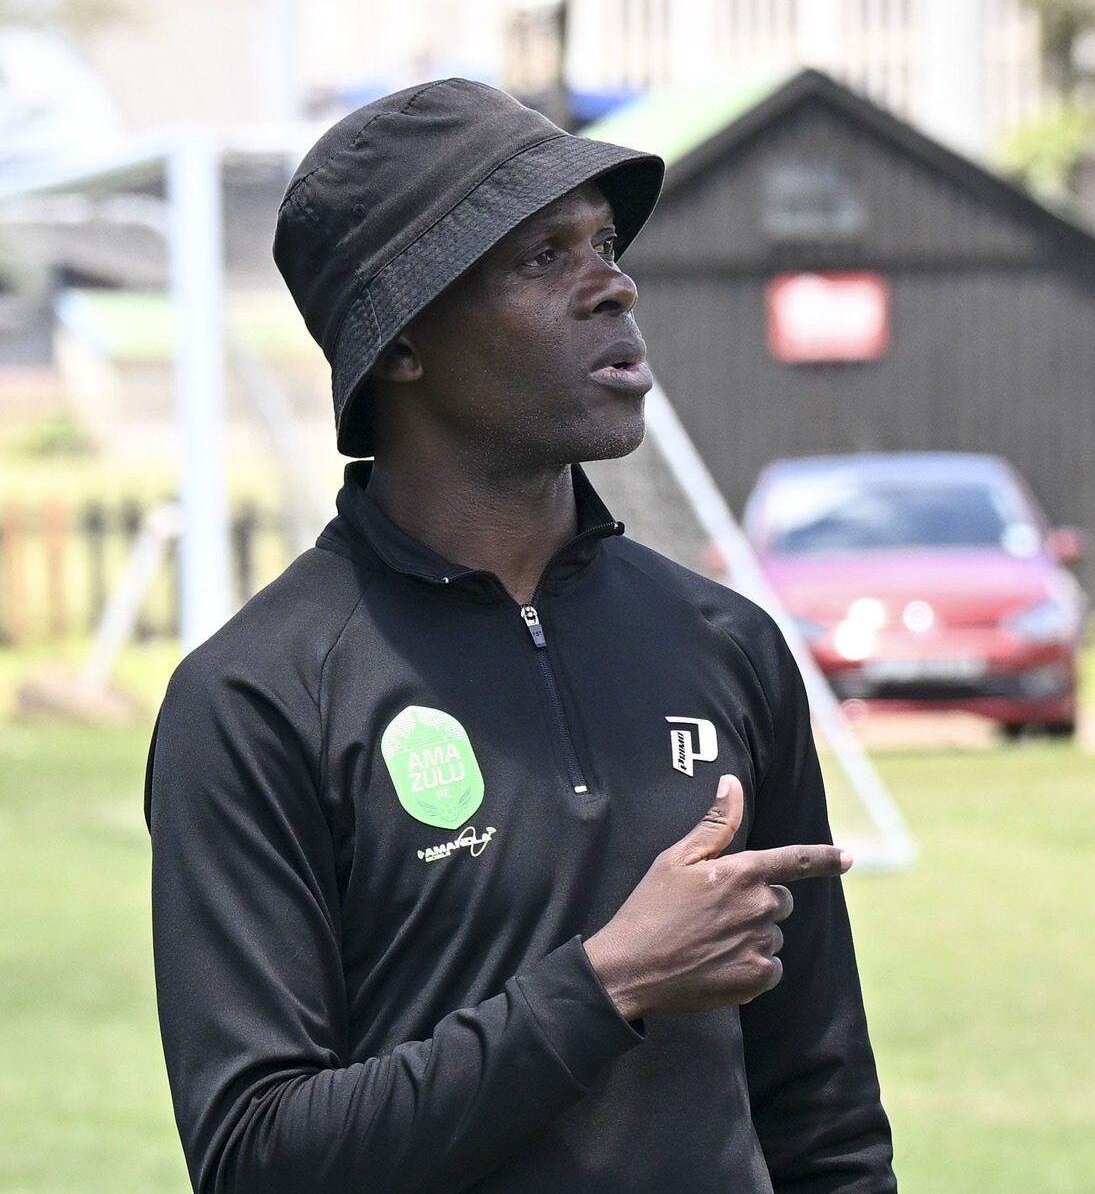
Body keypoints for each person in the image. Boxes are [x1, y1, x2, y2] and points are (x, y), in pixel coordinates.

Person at [146, 80, 894, 1194]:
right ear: (399, 345)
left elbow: (821, 1114)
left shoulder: (725, 643)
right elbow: (257, 1156)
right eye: (542, 256)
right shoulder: (257, 698)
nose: (613, 283)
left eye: (602, 239)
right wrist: (604, 986)